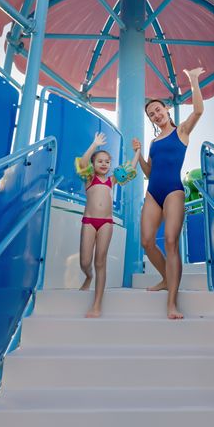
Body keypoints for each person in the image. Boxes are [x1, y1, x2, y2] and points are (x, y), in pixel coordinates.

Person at [132, 67, 204, 319]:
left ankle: (172, 302)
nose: (156, 115)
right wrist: (138, 153)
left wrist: (193, 80)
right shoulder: (154, 142)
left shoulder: (181, 131)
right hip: (153, 192)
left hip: (173, 190)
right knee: (147, 241)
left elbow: (198, 111)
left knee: (171, 242)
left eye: (158, 110)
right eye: (151, 114)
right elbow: (149, 172)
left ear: (167, 110)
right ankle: (166, 278)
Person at [77, 132, 139, 318]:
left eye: (107, 162)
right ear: (94, 164)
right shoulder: (89, 178)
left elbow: (130, 169)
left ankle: (97, 304)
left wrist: (137, 152)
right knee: (85, 261)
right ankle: (88, 276)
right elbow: (83, 162)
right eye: (100, 161)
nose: (104, 164)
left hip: (106, 223)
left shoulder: (112, 180)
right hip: (89, 221)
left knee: (100, 261)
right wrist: (94, 144)